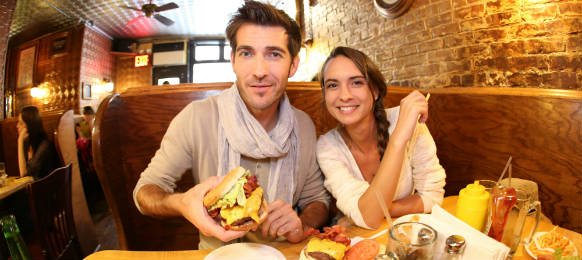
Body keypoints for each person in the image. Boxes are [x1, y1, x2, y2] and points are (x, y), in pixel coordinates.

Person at [133, 1, 330, 249]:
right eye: (247, 53)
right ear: (233, 61)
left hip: (283, 252)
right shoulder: (197, 117)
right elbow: (144, 193)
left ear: (293, 65)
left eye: (274, 54)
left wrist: (301, 223)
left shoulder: (303, 125)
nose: (259, 71)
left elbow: (317, 200)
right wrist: (181, 203)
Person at [316, 47, 446, 229]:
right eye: (332, 85)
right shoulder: (327, 146)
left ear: (375, 91)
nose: (344, 95)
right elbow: (369, 218)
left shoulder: (407, 121)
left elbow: (432, 196)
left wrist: (369, 210)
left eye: (356, 83)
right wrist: (398, 140)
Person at [17, 106, 60, 180]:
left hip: (45, 189)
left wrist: (19, 141)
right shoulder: (29, 144)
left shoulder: (44, 146)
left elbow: (24, 174)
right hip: (35, 187)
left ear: (30, 125)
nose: (17, 126)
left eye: (21, 123)